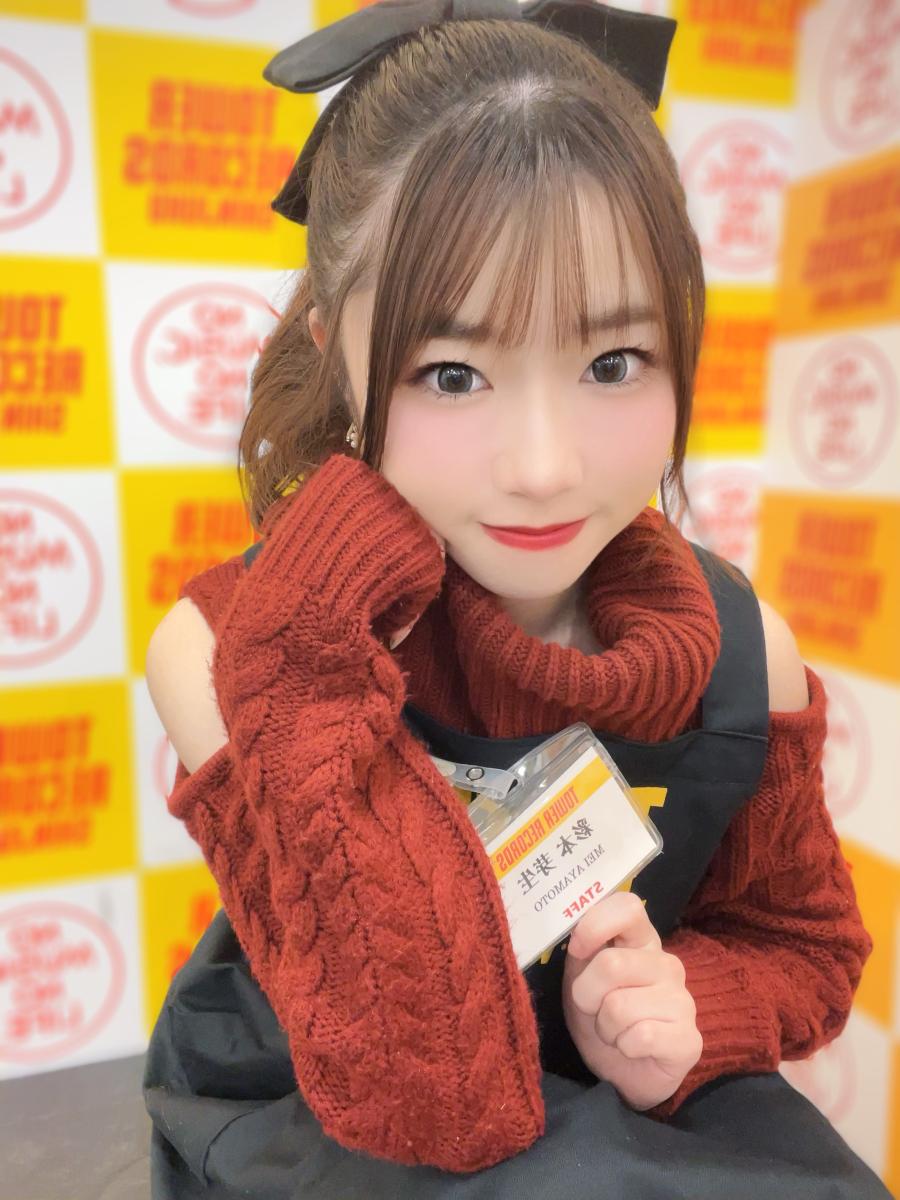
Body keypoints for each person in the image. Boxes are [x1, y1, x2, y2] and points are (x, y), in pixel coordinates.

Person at [141, 3, 891, 1197]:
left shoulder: (746, 656)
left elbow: (803, 946)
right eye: (452, 373)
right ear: (336, 352)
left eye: (611, 363)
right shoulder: (227, 653)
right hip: (333, 1110)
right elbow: (423, 1094)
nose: (544, 466)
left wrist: (692, 1005)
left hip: (625, 1116)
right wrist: (304, 652)